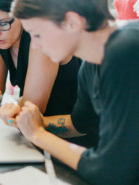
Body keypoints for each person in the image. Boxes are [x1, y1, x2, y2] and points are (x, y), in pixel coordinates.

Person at [10, 0, 139, 184]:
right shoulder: (91, 63)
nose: (35, 46)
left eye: (37, 35)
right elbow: (79, 123)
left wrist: (38, 135)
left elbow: (112, 171)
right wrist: (25, 122)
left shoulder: (125, 53)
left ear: (73, 22)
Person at [0, 0, 81, 123]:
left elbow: (31, 109)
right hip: (31, 128)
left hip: (67, 130)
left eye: (2, 24)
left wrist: (15, 105)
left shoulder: (40, 40)